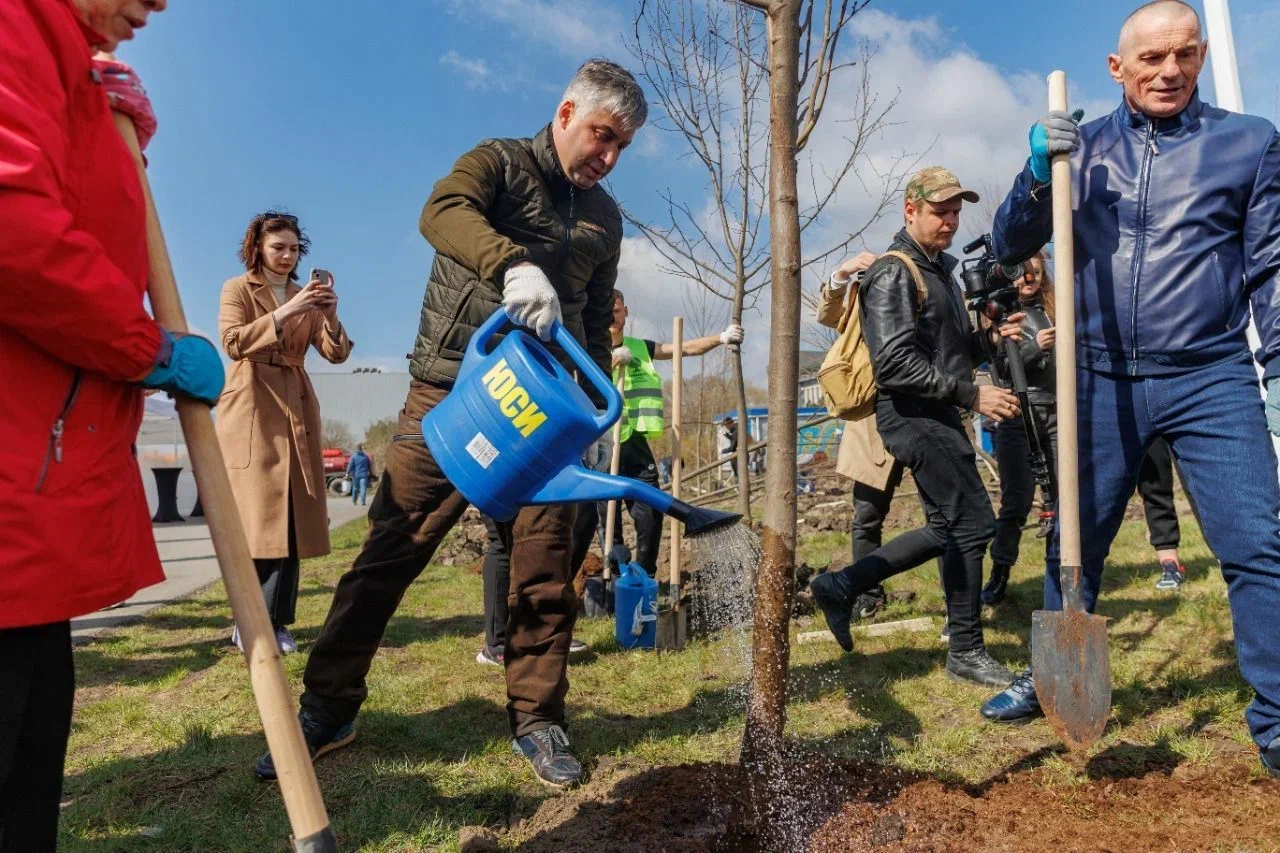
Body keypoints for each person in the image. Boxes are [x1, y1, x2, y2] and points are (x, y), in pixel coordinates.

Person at [254, 60, 648, 790]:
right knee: (389, 550)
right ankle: (326, 707)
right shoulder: (498, 163)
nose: (609, 156)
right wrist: (512, 265)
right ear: (565, 114)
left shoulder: (605, 218)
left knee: (546, 568)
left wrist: (591, 415)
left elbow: (593, 317)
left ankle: (538, 720)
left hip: (544, 414)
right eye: (602, 135)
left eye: (623, 145)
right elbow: (440, 210)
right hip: (453, 391)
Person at [978, 2, 1280, 780]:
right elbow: (1008, 246)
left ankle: (1276, 722)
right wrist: (1036, 173)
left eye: (1184, 54)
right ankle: (1052, 674)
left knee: (1257, 546)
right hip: (1099, 372)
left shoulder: (1249, 145)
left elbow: (1273, 271)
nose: (1168, 71)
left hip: (1210, 372)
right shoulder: (1085, 150)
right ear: (1118, 69)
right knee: (1076, 536)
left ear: (1202, 56)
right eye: (1150, 59)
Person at [0, 1, 225, 848]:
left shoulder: (64, 58)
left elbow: (67, 201)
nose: (159, 3)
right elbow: (15, 229)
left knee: (30, 762)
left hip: (34, 489)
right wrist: (149, 349)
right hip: (14, 468)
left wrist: (99, 121)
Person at [809, 166, 1025, 688]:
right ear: (911, 210)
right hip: (911, 414)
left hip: (936, 410)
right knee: (973, 525)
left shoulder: (937, 272)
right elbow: (895, 365)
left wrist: (990, 341)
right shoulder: (895, 271)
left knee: (953, 528)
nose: (950, 221)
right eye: (939, 211)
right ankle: (965, 648)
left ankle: (842, 586)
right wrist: (973, 393)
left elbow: (945, 354)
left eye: (955, 211)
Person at [216, 212, 353, 655]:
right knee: (259, 519)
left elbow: (336, 354)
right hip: (252, 403)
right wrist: (288, 310)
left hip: (296, 404)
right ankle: (250, 619)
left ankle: (277, 622)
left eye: (294, 248)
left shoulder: (305, 295)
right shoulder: (237, 288)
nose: (287, 256)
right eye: (279, 247)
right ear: (258, 247)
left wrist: (330, 315)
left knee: (292, 516)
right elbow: (233, 342)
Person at [570, 290, 743, 577]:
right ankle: (612, 576)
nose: (613, 317)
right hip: (600, 445)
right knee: (606, 517)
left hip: (635, 444)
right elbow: (583, 383)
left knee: (650, 512)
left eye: (617, 311)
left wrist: (721, 338)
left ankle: (645, 574)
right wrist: (612, 360)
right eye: (607, 312)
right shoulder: (590, 349)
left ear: (626, 311)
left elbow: (683, 348)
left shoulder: (641, 348)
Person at [818, 250, 946, 624]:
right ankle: (866, 596)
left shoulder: (934, 288)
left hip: (929, 412)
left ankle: (957, 603)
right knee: (867, 515)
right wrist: (841, 273)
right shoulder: (872, 289)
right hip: (874, 421)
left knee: (945, 517)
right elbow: (828, 315)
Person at [982, 250, 1057, 605]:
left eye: (1037, 274)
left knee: (1060, 501)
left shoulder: (1056, 310)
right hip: (1017, 415)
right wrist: (1034, 349)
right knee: (1016, 502)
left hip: (1058, 415)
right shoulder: (1001, 316)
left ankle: (1056, 577)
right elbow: (1001, 370)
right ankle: (999, 573)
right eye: (1024, 274)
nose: (1029, 281)